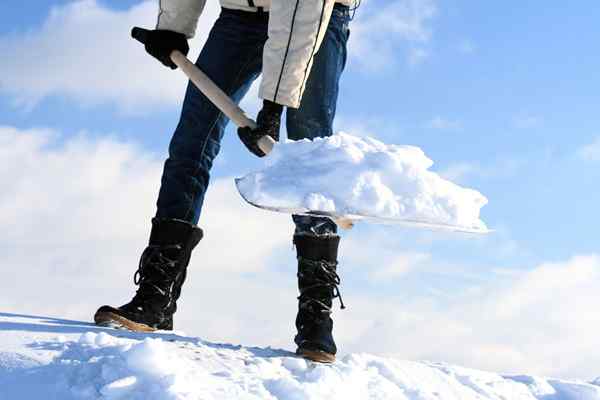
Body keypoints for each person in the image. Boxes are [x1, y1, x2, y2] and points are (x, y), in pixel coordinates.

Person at [94, 0, 356, 363]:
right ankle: (156, 297)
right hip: (240, 16)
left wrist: (274, 104)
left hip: (316, 19)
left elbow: (302, 8)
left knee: (307, 154)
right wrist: (174, 24)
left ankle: (316, 316)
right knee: (191, 141)